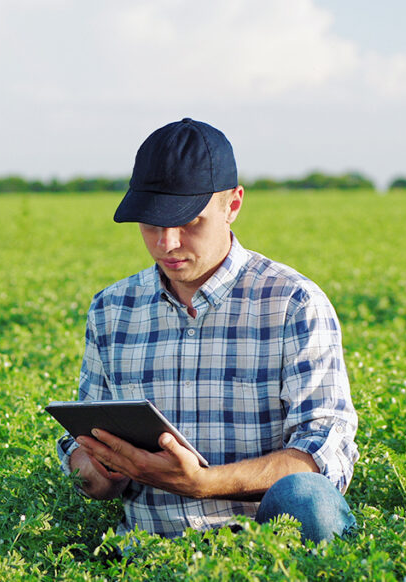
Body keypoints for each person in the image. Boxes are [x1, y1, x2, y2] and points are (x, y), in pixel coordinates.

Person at [56, 118, 358, 543]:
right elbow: (85, 447)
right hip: (152, 556)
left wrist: (202, 482)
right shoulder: (112, 309)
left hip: (270, 556)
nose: (168, 243)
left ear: (232, 205)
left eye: (189, 222)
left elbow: (323, 456)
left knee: (309, 499)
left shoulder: (292, 302)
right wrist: (97, 468)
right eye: (151, 225)